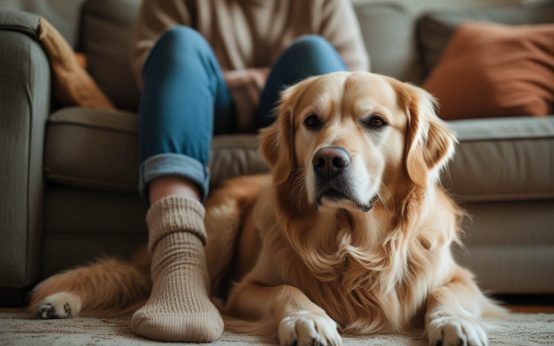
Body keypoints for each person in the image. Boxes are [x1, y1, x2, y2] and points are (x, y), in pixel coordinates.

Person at [129, 0, 369, 342]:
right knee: (179, 43)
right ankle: (178, 263)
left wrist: (283, 96)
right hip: (205, 106)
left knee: (314, 52)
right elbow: (151, 70)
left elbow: (356, 80)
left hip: (302, 121)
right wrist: (253, 83)